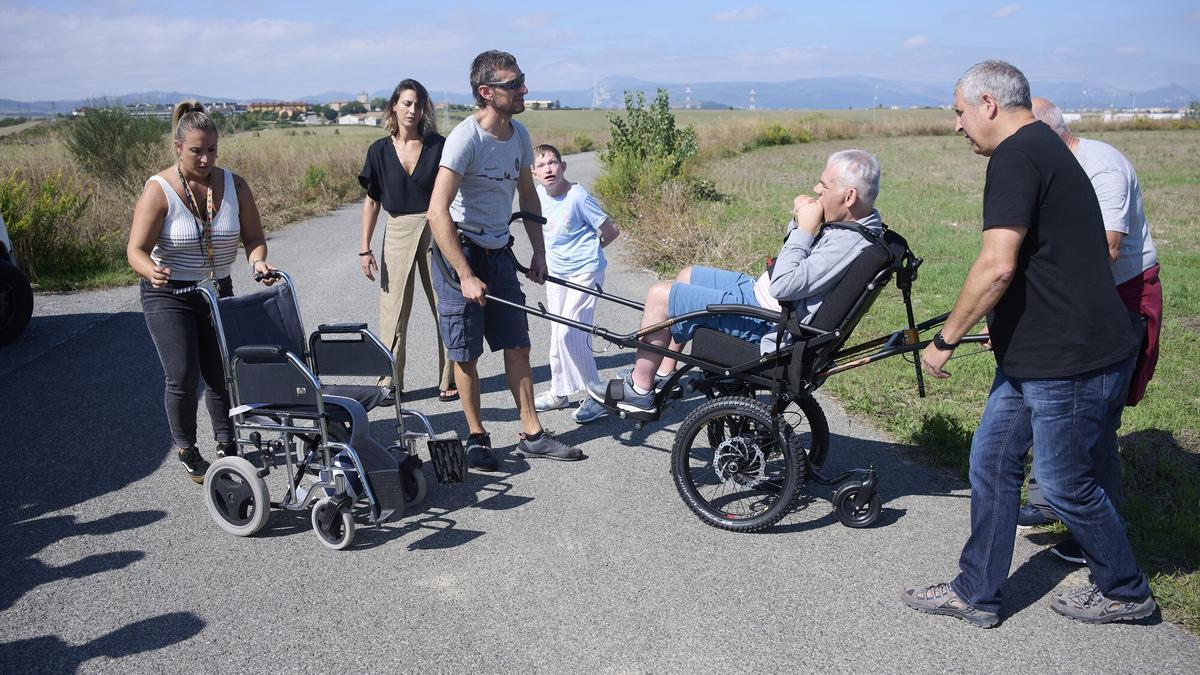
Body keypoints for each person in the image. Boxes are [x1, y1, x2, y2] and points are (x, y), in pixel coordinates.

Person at [903, 60, 1154, 627]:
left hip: (1067, 361)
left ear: (988, 103)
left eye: (960, 112)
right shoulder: (1044, 144)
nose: (957, 126)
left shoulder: (1017, 156)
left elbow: (997, 267)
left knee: (1066, 487)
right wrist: (1011, 322)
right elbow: (1053, 261)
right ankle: (977, 592)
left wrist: (945, 339)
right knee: (992, 462)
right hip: (1040, 352)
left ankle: (1125, 589)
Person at [587, 150, 884, 414]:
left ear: (849, 197)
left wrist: (804, 229)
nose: (816, 190)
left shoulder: (845, 244)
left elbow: (784, 284)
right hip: (763, 296)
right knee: (687, 275)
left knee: (659, 296)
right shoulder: (852, 226)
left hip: (768, 319)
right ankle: (664, 375)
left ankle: (639, 392)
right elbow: (792, 270)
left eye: (825, 186)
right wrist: (800, 224)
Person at [1017, 97, 1164, 565]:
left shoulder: (1101, 168)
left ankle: (1098, 537)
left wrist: (1048, 306)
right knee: (1049, 396)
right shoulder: (1056, 166)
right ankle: (1051, 500)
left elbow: (1106, 249)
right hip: (1075, 300)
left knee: (1097, 418)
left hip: (1118, 300)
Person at [427, 50, 583, 468]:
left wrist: (539, 250)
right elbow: (436, 210)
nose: (524, 90)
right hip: (458, 253)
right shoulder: (465, 138)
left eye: (522, 80)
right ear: (486, 92)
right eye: (513, 84)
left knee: (518, 343)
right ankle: (477, 435)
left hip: (499, 252)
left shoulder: (520, 136)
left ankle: (532, 432)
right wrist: (464, 274)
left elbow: (528, 195)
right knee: (466, 352)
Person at [127, 101, 277, 484]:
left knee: (221, 372)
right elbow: (136, 250)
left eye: (212, 149)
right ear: (178, 147)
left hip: (216, 289)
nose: (206, 158)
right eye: (197, 150)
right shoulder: (159, 190)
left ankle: (227, 446)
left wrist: (257, 262)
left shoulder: (235, 185)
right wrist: (152, 271)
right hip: (169, 294)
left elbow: (254, 238)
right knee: (182, 373)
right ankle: (187, 448)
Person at [358, 78, 457, 402]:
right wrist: (365, 248)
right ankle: (389, 381)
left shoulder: (438, 146)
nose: (412, 110)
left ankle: (450, 377)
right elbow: (372, 202)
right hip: (397, 230)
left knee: (446, 306)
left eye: (418, 104)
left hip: (435, 227)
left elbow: (455, 193)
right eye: (406, 103)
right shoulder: (378, 150)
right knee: (393, 310)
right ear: (394, 106)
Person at [530, 143, 621, 424]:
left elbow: (611, 231)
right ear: (534, 173)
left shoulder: (578, 196)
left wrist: (591, 254)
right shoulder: (536, 198)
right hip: (557, 274)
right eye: (542, 165)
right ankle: (560, 392)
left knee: (572, 332)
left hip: (585, 273)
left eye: (553, 163)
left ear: (563, 167)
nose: (548, 169)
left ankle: (597, 395)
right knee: (558, 332)